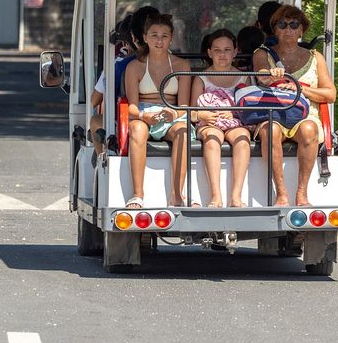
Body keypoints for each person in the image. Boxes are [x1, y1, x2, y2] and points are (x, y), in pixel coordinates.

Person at [251, 4, 336, 206]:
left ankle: (302, 193)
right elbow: (261, 75)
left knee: (308, 129)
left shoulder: (316, 58)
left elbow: (330, 94)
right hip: (272, 113)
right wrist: (271, 77)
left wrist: (299, 88)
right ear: (275, 29)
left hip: (305, 115)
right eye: (282, 24)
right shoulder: (263, 54)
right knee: (270, 130)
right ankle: (281, 193)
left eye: (294, 24)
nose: (288, 29)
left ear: (301, 30)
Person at [123, 13, 193, 208]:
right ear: (145, 38)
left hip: (172, 113)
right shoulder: (134, 67)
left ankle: (177, 194)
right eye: (154, 35)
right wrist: (144, 116)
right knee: (136, 130)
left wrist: (174, 113)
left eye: (164, 36)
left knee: (183, 131)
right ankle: (137, 194)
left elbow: (184, 106)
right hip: (144, 113)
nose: (159, 41)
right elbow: (132, 107)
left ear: (171, 38)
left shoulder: (182, 65)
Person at [190, 29, 252, 207]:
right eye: (217, 50)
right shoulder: (201, 78)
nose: (222, 54)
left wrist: (233, 113)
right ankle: (216, 196)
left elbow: (248, 107)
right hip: (209, 122)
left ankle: (236, 196)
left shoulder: (244, 77)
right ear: (209, 53)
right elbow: (192, 111)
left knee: (242, 139)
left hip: (235, 121)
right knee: (212, 139)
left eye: (227, 50)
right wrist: (203, 114)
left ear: (235, 52)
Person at [89, 14, 135, 155]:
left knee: (96, 120)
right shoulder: (175, 62)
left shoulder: (117, 64)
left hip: (128, 123)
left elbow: (94, 101)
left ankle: (101, 161)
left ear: (126, 42)